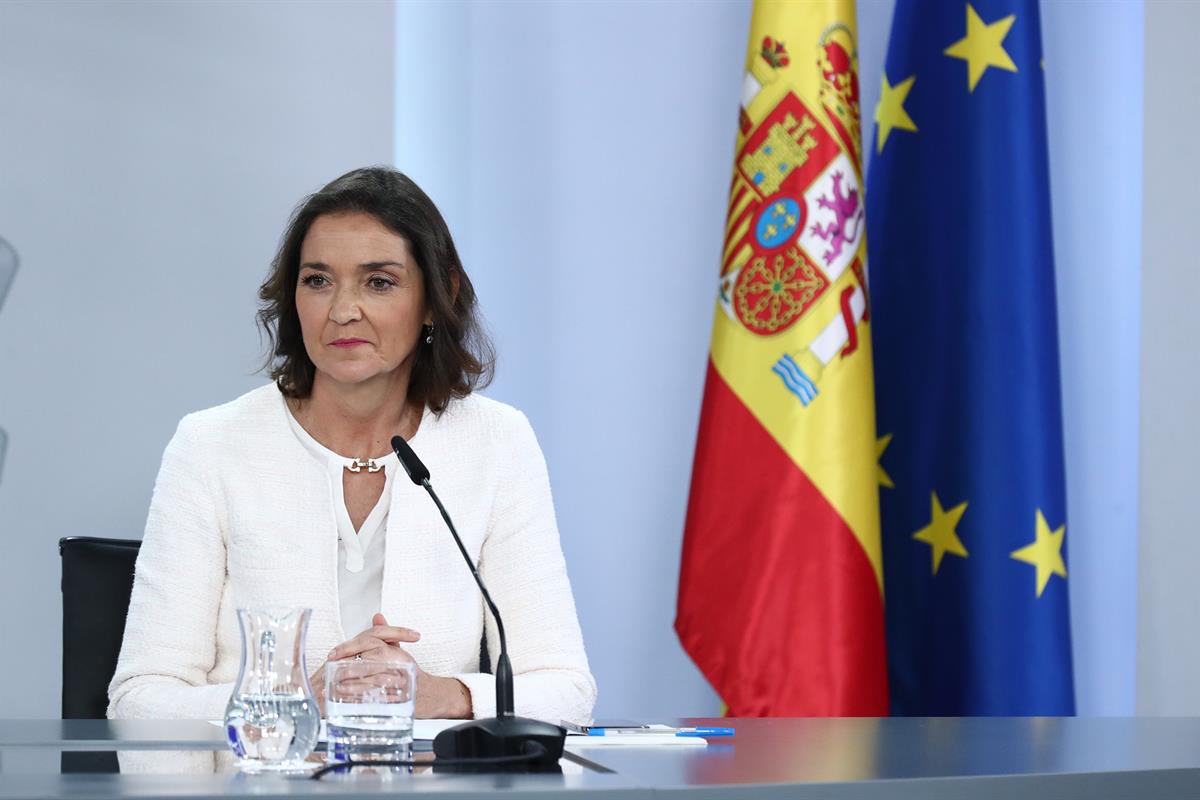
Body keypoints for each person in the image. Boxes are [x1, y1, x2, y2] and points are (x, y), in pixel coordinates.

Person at [108, 167, 596, 726]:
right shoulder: (211, 445)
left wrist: (443, 696)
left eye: (379, 282)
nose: (342, 310)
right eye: (317, 280)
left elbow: (565, 688)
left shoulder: (497, 443)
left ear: (439, 297)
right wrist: (291, 700)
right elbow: (139, 698)